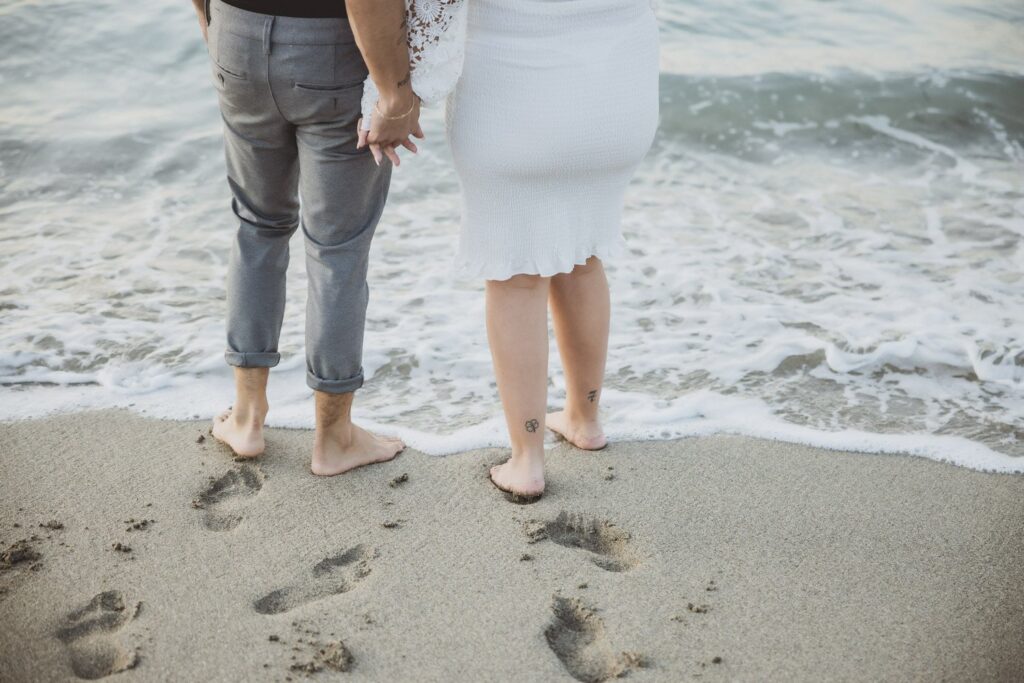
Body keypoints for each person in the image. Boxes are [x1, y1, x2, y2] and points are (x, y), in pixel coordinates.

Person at [359, 0, 659, 500]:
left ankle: (527, 460)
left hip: (512, 87)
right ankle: (585, 421)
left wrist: (394, 93)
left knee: (515, 275)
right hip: (618, 89)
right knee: (584, 256)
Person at [192, 0, 422, 475]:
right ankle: (334, 437)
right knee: (337, 249)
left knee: (257, 225)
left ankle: (247, 418)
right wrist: (396, 93)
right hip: (333, 45)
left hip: (234, 32)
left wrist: (212, 26)